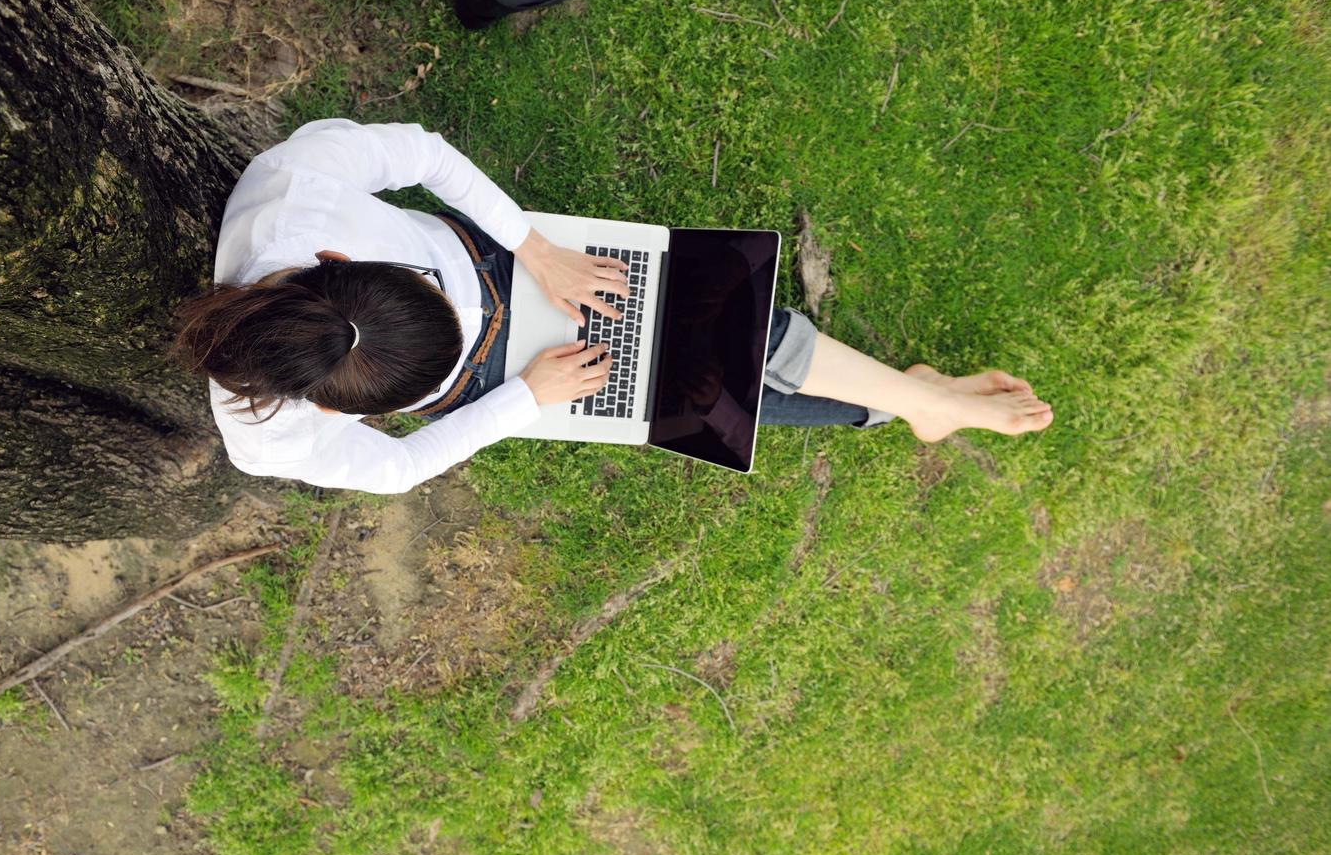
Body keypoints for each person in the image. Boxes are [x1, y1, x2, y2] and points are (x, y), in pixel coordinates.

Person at [174, 119, 1053, 495]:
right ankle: (914, 402)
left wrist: (532, 247)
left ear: (336, 259)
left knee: (708, 325)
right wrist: (524, 399)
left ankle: (919, 404)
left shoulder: (297, 190)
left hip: (509, 266)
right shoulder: (265, 433)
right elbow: (399, 471)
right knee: (700, 391)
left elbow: (426, 157)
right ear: (328, 402)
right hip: (500, 383)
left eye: (422, 286)